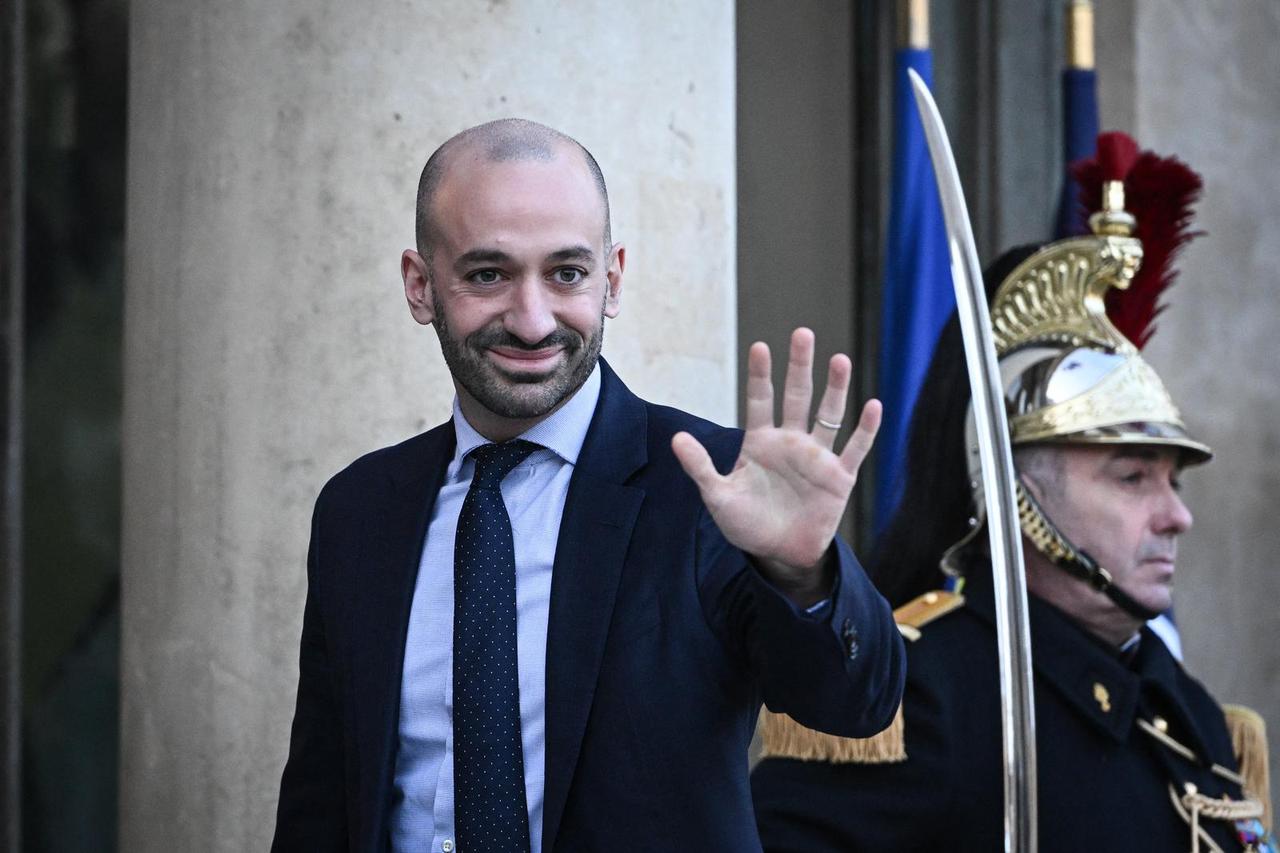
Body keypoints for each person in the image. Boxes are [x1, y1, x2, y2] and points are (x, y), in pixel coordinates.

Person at [270, 118, 905, 853]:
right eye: (487, 274)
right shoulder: (358, 510)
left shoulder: (718, 488)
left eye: (565, 273)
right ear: (420, 286)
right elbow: (321, 801)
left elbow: (856, 704)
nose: (533, 320)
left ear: (612, 279)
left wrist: (800, 574)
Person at [751, 133, 1274, 851]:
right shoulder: (912, 697)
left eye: (1173, 480)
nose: (1177, 515)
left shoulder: (1196, 718)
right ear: (1018, 495)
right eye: (1131, 478)